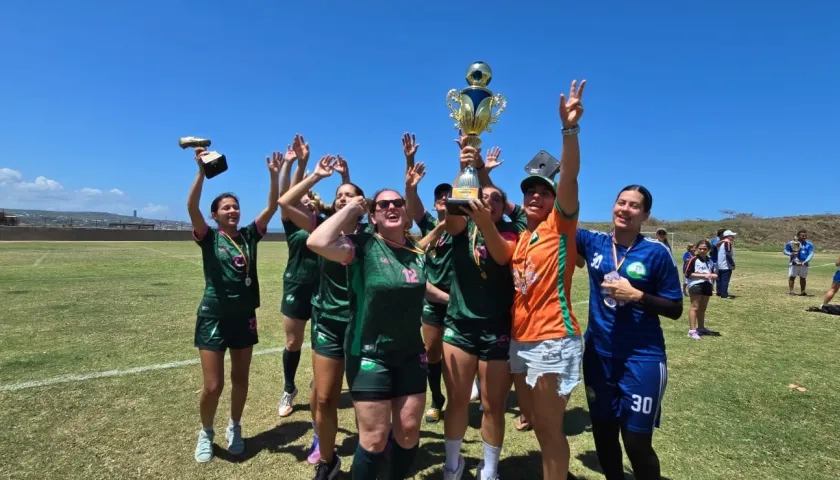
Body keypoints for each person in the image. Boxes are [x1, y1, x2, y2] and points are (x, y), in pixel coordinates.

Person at [307, 187, 428, 480]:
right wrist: (351, 208)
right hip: (369, 353)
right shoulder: (362, 246)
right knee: (373, 439)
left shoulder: (417, 252)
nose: (391, 207)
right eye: (383, 204)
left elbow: (419, 286)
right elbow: (317, 241)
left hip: (411, 353)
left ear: (406, 212)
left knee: (409, 433)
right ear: (372, 216)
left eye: (398, 202)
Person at [577, 184, 683, 480]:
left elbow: (675, 308)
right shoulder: (593, 241)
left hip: (642, 358)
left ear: (645, 215)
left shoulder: (656, 252)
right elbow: (558, 217)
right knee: (604, 431)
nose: (625, 209)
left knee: (635, 440)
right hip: (598, 357)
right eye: (621, 202)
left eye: (634, 205)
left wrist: (636, 295)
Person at [509, 79, 585, 480]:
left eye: (543, 191)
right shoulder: (523, 235)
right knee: (535, 423)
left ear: (554, 199)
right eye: (530, 191)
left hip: (554, 338)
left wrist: (568, 131)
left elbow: (568, 176)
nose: (535, 195)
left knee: (550, 429)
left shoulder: (560, 225)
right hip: (521, 339)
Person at [187, 147, 281, 463]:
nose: (232, 211)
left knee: (241, 379)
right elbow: (191, 206)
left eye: (235, 207)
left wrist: (274, 175)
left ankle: (235, 426)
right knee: (213, 386)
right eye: (226, 208)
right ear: (215, 215)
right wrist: (202, 172)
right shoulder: (209, 238)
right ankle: (206, 432)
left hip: (244, 318)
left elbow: (272, 206)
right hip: (213, 316)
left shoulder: (249, 236)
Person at [442, 140, 525, 480]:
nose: (488, 200)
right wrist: (467, 168)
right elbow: (452, 220)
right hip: (460, 326)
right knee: (458, 401)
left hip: (497, 328)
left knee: (492, 405)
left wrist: (484, 178)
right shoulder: (463, 228)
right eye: (483, 196)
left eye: (495, 199)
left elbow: (503, 254)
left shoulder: (515, 230)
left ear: (504, 207)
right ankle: (452, 463)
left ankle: (489, 469)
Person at [278, 154, 366, 476]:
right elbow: (285, 203)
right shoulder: (320, 227)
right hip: (327, 321)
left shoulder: (369, 235)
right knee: (326, 398)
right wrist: (315, 175)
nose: (342, 199)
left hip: (360, 323)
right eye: (338, 196)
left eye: (349, 196)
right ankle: (327, 459)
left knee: (363, 398)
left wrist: (350, 187)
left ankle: (369, 455)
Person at [401, 133, 452, 423]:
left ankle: (471, 389)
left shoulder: (466, 227)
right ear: (434, 205)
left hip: (462, 299)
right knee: (432, 352)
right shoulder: (430, 223)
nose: (444, 200)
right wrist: (409, 162)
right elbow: (412, 200)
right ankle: (437, 399)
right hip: (433, 298)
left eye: (449, 196)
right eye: (439, 198)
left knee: (459, 353)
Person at [275, 134, 318, 418]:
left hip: (324, 289)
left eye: (311, 199)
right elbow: (286, 199)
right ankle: (289, 388)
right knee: (293, 342)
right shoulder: (291, 225)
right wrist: (295, 165)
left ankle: (321, 382)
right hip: (296, 285)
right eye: (302, 200)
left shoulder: (324, 224)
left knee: (322, 342)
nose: (307, 202)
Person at [684, 240, 717, 340]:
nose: (702, 250)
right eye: (700, 248)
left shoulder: (710, 261)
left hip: (707, 285)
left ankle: (701, 328)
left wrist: (713, 276)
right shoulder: (693, 259)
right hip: (696, 284)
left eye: (705, 249)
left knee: (703, 308)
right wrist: (703, 275)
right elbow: (688, 273)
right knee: (695, 307)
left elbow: (711, 273)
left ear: (708, 250)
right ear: (697, 249)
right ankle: (692, 331)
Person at [784, 229, 815, 296]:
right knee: (792, 277)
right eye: (802, 236)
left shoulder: (809, 244)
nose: (804, 237)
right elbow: (785, 251)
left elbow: (811, 253)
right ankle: (791, 291)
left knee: (803, 278)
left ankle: (803, 292)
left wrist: (806, 261)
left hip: (804, 263)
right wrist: (791, 254)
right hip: (794, 263)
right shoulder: (791, 243)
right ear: (798, 236)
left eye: (805, 236)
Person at [714, 230, 737, 298]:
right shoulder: (728, 243)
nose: (733, 237)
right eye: (732, 236)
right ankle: (724, 294)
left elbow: (716, 246)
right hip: (726, 265)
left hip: (720, 264)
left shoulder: (721, 243)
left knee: (721, 279)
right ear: (728, 236)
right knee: (725, 280)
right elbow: (728, 254)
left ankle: (720, 292)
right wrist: (732, 264)